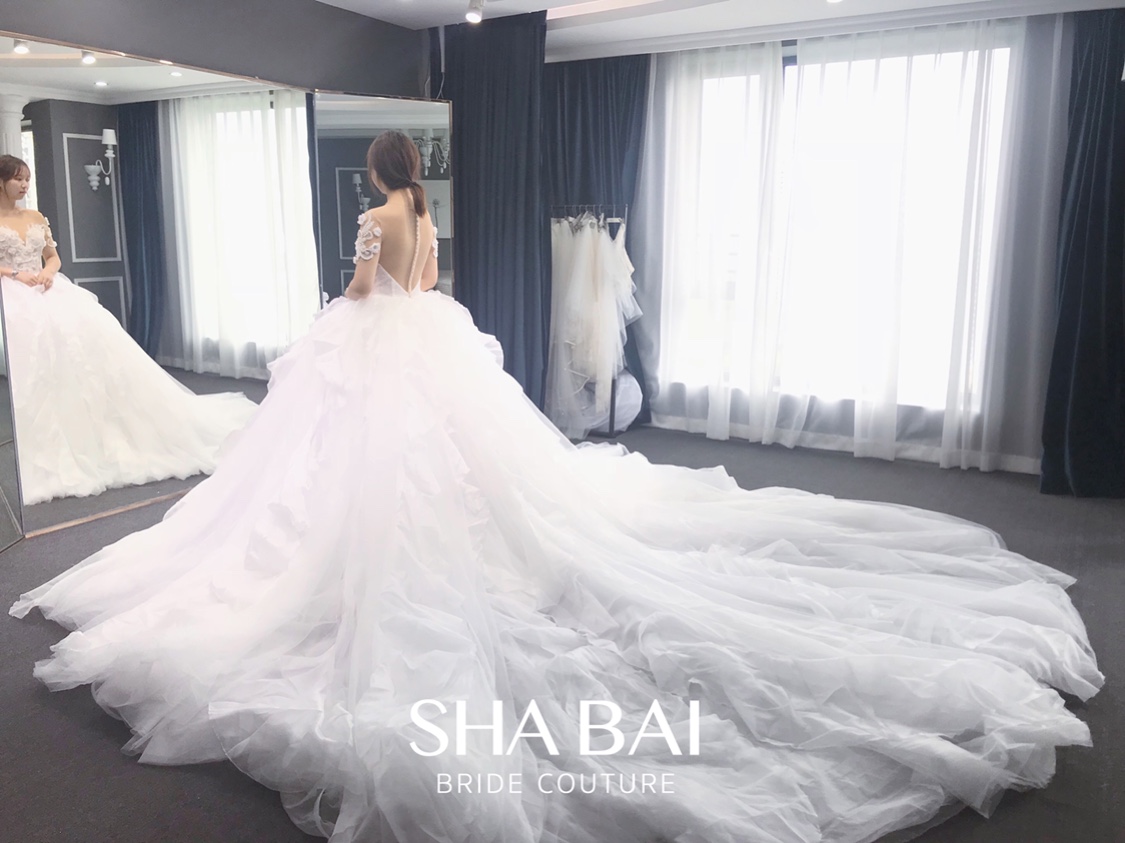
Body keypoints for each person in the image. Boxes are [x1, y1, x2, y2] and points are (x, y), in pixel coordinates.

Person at [10, 132, 1102, 843]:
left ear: (375, 177)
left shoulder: (378, 219)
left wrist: (346, 287)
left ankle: (372, 559)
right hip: (432, 340)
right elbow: (425, 282)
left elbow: (364, 288)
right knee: (455, 466)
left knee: (359, 466)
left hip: (381, 343)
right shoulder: (427, 213)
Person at [0, 154, 258, 505]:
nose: (25, 185)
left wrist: (48, 271)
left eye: (27, 178)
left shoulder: (35, 216)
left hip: (47, 288)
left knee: (89, 352)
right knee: (37, 366)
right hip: (13, 293)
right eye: (18, 179)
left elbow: (53, 256)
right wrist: (16, 274)